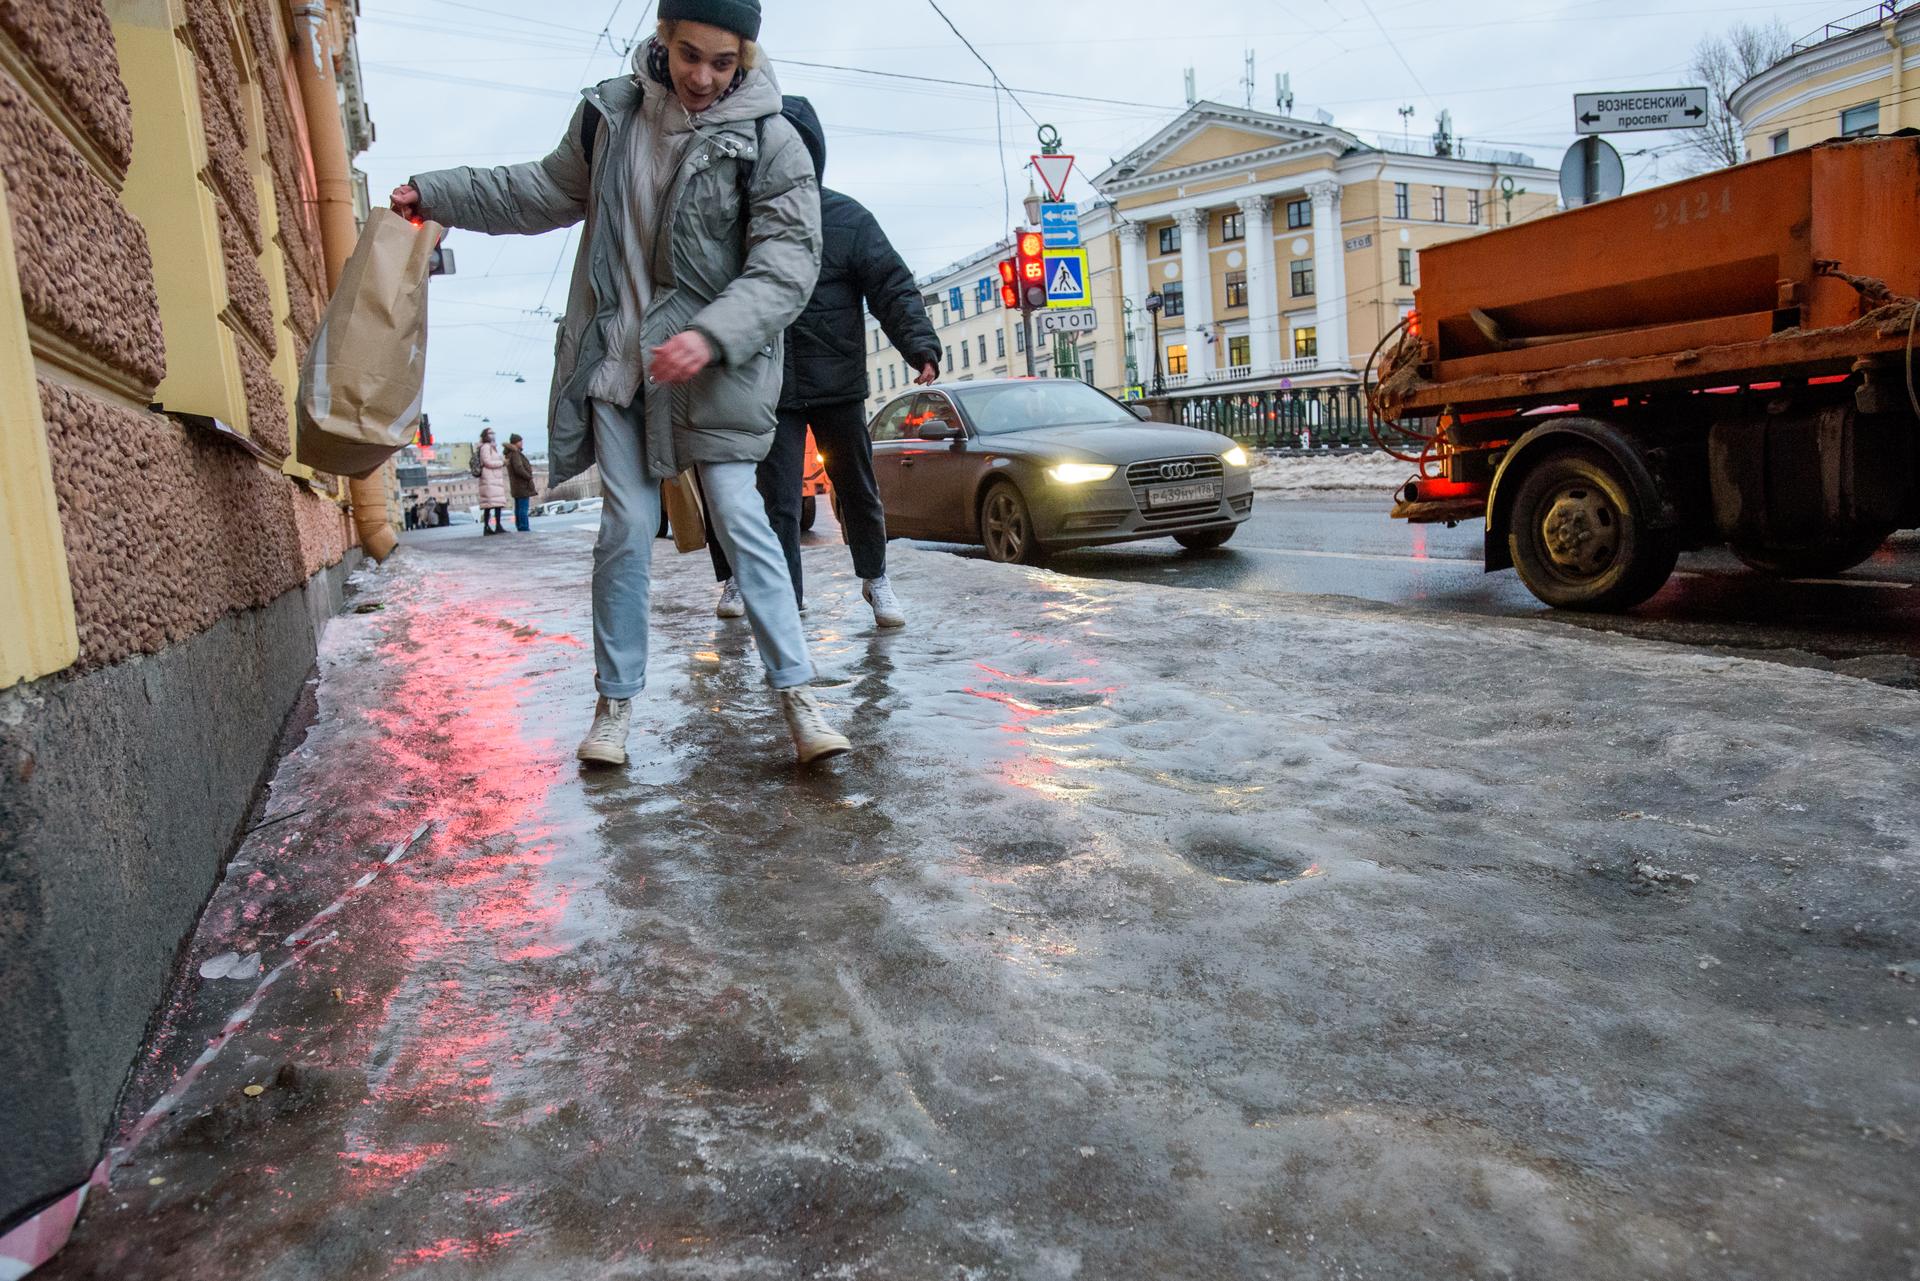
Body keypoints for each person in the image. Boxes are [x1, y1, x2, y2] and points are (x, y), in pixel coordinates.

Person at [391, 0, 850, 768]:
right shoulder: (610, 119)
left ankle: (799, 696)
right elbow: (535, 191)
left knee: (741, 515)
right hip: (620, 359)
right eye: (689, 54)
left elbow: (787, 263)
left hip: (718, 366)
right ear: (662, 41)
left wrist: (710, 335)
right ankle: (614, 705)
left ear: (746, 60)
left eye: (723, 62)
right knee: (626, 528)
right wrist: (436, 193)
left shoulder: (773, 139)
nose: (703, 76)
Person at [709, 97, 938, 629]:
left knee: (857, 489)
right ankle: (786, 605)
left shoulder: (847, 218)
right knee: (777, 502)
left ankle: (876, 579)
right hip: (771, 388)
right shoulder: (738, 224)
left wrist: (919, 344)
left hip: (837, 384)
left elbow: (892, 285)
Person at [476, 428, 509, 535]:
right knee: (489, 505)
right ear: (486, 435)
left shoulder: (492, 447)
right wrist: (501, 463)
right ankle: (487, 527)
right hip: (489, 479)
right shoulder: (486, 447)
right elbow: (487, 462)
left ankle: (497, 525)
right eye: (490, 433)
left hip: (494, 479)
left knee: (496, 504)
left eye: (493, 433)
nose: (493, 435)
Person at [506, 434, 538, 532]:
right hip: (521, 485)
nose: (522, 443)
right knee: (523, 508)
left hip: (516, 485)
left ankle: (520, 526)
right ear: (516, 442)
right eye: (520, 441)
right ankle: (524, 527)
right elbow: (519, 468)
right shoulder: (515, 453)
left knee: (519, 508)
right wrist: (528, 476)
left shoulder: (510, 453)